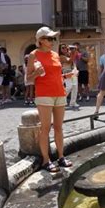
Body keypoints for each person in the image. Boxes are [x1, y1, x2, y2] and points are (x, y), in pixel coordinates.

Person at [27, 27, 73, 173]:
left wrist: (67, 76)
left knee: (59, 127)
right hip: (44, 94)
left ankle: (61, 156)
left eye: (53, 38)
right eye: (50, 38)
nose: (53, 41)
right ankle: (46, 160)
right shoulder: (33, 55)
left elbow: (57, 74)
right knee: (45, 128)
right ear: (40, 40)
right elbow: (28, 79)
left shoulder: (55, 54)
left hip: (60, 92)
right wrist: (36, 73)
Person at [59, 44, 79, 108]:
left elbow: (73, 60)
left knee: (75, 87)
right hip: (66, 72)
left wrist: (74, 51)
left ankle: (73, 103)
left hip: (73, 71)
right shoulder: (61, 56)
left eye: (66, 47)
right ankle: (61, 101)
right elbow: (69, 61)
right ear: (60, 49)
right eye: (63, 48)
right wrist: (73, 53)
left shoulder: (68, 54)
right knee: (69, 87)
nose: (65, 49)